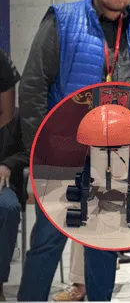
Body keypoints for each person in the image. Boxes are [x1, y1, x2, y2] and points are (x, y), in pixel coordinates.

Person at [17, 0, 130, 301]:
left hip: (113, 158)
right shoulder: (62, 18)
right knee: (47, 243)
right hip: (62, 154)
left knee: (104, 245)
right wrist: (37, 151)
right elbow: (32, 85)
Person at [0, 50, 27, 302]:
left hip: (3, 184)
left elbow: (27, 152)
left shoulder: (16, 116)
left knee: (7, 208)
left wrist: (7, 165)